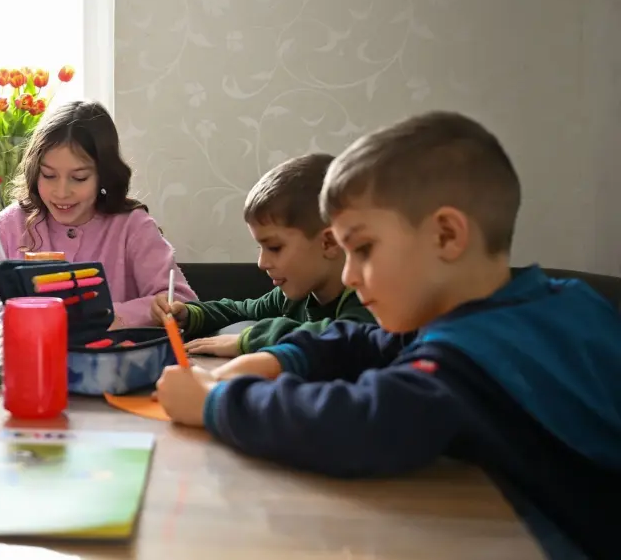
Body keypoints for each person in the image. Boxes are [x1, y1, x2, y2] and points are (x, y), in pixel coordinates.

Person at [155, 111, 621, 559]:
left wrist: (215, 403)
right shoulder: (549, 303)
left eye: (363, 249)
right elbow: (367, 342)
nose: (349, 274)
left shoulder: (472, 362)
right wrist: (282, 357)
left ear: (446, 236)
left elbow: (357, 423)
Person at [0, 101, 195, 329]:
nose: (62, 192)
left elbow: (182, 302)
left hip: (116, 352)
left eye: (79, 178)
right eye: (49, 175)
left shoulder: (133, 226)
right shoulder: (9, 225)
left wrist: (112, 315)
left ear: (104, 175)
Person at [151, 154, 374, 356]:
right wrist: (189, 314)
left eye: (274, 248)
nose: (262, 263)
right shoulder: (292, 297)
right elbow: (240, 310)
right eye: (261, 248)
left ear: (329, 243)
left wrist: (250, 339)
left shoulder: (373, 300)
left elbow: (342, 338)